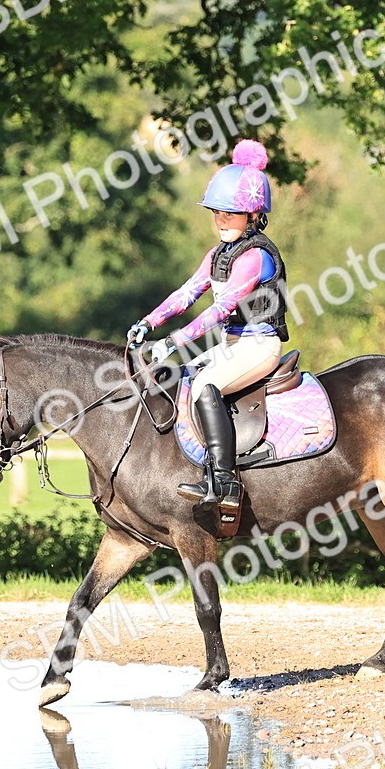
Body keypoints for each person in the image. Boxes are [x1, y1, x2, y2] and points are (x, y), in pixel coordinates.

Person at [127, 140, 289, 512]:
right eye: (217, 212)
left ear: (253, 215)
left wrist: (174, 341)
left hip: (259, 346)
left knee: (204, 385)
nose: (221, 220)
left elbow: (221, 308)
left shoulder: (255, 257)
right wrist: (148, 322)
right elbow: (187, 293)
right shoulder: (217, 254)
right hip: (231, 344)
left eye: (230, 213)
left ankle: (226, 481)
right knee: (180, 378)